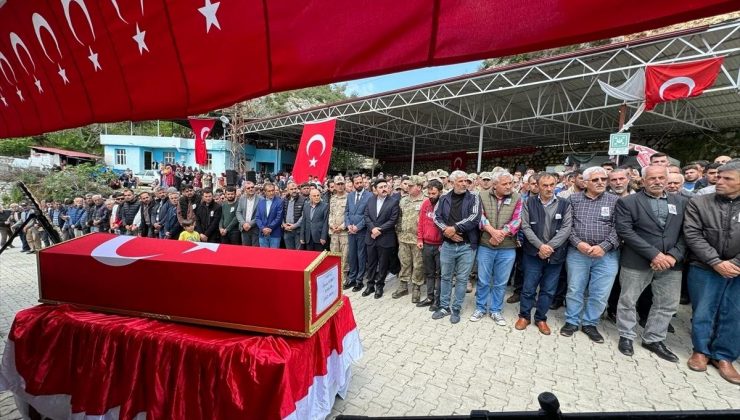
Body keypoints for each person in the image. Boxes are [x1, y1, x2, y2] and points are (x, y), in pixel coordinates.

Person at [614, 165, 688, 361]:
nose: (657, 181)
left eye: (661, 177)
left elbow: (687, 233)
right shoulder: (628, 202)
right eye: (652, 178)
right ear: (643, 180)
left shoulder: (682, 202)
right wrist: (655, 255)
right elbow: (626, 232)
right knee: (628, 300)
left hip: (672, 263)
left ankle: (654, 338)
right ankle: (626, 335)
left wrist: (672, 256)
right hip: (637, 260)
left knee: (667, 303)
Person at [683, 160, 740, 384]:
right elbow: (693, 234)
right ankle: (701, 351)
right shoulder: (699, 202)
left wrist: (735, 263)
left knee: (734, 313)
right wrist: (716, 261)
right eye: (719, 177)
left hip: (737, 270)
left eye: (728, 179)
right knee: (703, 310)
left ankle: (724, 357)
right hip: (705, 266)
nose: (719, 181)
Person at [561, 167, 620, 343]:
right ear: (585, 182)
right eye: (595, 180)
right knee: (574, 288)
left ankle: (590, 323)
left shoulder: (615, 201)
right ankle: (571, 321)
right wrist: (578, 243)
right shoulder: (573, 199)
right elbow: (567, 226)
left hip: (606, 255)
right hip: (578, 252)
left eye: (603, 179)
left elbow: (620, 228)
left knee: (600, 292)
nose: (601, 182)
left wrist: (604, 246)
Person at [516, 173, 572, 335]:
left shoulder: (564, 204)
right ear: (538, 186)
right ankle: (524, 316)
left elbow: (566, 229)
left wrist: (549, 247)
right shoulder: (529, 202)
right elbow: (525, 227)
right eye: (545, 185)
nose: (549, 188)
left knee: (548, 289)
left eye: (552, 185)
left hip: (555, 254)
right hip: (533, 253)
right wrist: (540, 246)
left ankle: (541, 318)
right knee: (528, 287)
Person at [471, 170, 521, 326]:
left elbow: (518, 219)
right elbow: (479, 216)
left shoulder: (517, 197)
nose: (509, 186)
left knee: (501, 282)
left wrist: (501, 234)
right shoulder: (481, 195)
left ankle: (495, 310)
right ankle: (480, 308)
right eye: (504, 184)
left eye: (510, 183)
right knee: (483, 280)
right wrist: (492, 231)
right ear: (495, 184)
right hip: (486, 244)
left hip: (507, 247)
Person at [432, 170, 481, 324]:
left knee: (461, 279)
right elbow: (436, 216)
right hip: (448, 244)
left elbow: (474, 217)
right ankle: (444, 307)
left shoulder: (474, 197)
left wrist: (455, 228)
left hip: (466, 246)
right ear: (452, 183)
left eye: (466, 181)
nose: (464, 184)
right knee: (445, 277)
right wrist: (448, 232)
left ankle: (456, 308)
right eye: (460, 181)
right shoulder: (444, 198)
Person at [361, 179, 400, 299]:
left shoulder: (393, 202)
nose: (384, 189)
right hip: (371, 237)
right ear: (375, 190)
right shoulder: (370, 200)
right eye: (381, 187)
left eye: (385, 186)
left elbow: (393, 220)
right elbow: (366, 216)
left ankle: (380, 286)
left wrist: (379, 230)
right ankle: (370, 285)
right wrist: (373, 229)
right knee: (371, 263)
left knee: (383, 264)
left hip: (385, 238)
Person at [393, 175, 426, 302]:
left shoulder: (425, 201)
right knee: (404, 262)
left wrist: (422, 238)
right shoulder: (403, 200)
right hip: (404, 238)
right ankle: (403, 285)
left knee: (418, 264)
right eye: (407, 185)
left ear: (419, 187)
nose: (408, 188)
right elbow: (399, 218)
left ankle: (417, 288)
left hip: (418, 239)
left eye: (411, 186)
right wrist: (398, 233)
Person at [416, 179, 444, 310]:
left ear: (440, 192)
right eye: (429, 193)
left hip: (440, 246)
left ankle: (437, 301)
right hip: (427, 244)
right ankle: (429, 297)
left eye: (434, 193)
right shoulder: (425, 203)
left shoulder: (445, 204)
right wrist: (420, 239)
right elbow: (421, 222)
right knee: (429, 273)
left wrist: (444, 243)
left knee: (440, 274)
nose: (431, 196)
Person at [345, 175, 371, 291]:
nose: (359, 184)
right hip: (351, 231)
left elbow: (368, 215)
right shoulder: (350, 196)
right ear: (353, 184)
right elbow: (346, 212)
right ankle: (352, 278)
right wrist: (348, 225)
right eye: (357, 183)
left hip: (362, 231)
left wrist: (358, 226)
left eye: (361, 182)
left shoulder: (369, 196)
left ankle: (359, 281)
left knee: (361, 255)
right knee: (352, 255)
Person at [329, 176, 349, 276]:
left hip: (344, 232)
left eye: (342, 184)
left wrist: (342, 226)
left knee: (345, 255)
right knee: (334, 254)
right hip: (334, 232)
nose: (340, 186)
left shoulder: (349, 197)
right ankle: (334, 275)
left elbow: (349, 215)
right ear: (335, 186)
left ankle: (344, 276)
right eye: (338, 184)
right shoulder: (332, 198)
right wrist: (332, 225)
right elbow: (331, 214)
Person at [255, 182, 283, 248]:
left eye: (273, 190)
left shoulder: (279, 202)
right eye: (269, 191)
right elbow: (257, 217)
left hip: (275, 234)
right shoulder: (260, 202)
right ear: (265, 192)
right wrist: (263, 228)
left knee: (274, 256)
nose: (271, 193)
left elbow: (279, 217)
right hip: (262, 234)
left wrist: (270, 228)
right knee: (264, 256)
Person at [281, 182, 305, 250]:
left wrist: (294, 226)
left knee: (298, 253)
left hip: (298, 231)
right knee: (289, 252)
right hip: (287, 230)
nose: (294, 190)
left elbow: (304, 216)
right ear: (287, 190)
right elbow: (281, 214)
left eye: (295, 188)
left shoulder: (303, 199)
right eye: (291, 189)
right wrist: (284, 224)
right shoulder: (284, 200)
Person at [236, 181, 260, 246]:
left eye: (252, 187)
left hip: (255, 228)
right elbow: (238, 212)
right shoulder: (242, 198)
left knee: (255, 252)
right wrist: (243, 223)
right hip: (244, 229)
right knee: (245, 251)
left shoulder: (261, 199)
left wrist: (250, 224)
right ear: (245, 190)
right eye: (248, 188)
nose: (251, 189)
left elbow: (261, 215)